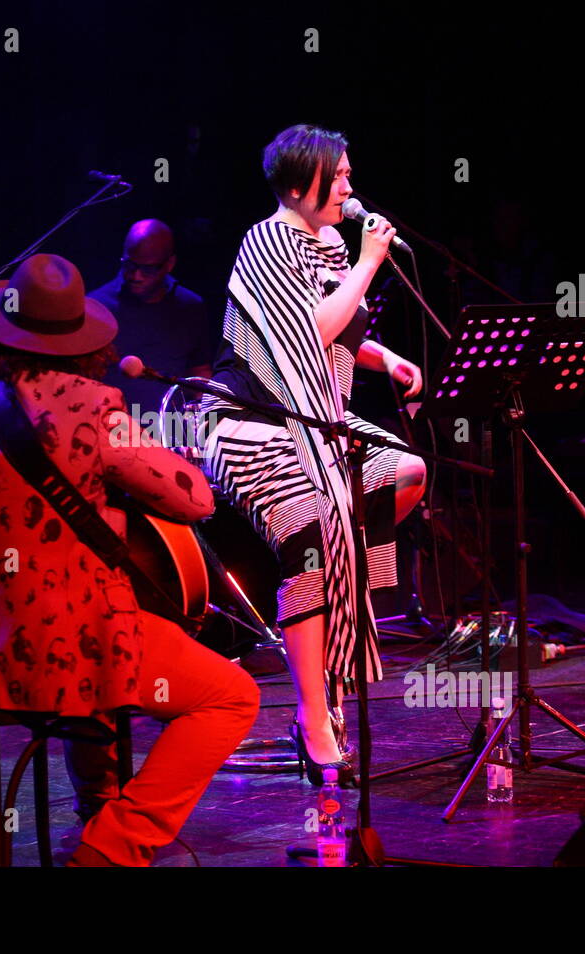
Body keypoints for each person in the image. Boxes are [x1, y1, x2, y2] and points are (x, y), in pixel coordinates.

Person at [0, 253, 258, 866]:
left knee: (92, 633)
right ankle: (114, 843)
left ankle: (98, 803)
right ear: (82, 342)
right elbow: (192, 501)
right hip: (68, 655)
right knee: (232, 695)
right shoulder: (94, 408)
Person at [201, 124, 426, 784]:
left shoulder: (325, 240)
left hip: (318, 422)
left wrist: (386, 357)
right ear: (301, 187)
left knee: (405, 472)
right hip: (250, 423)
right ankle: (314, 712)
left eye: (352, 174)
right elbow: (305, 331)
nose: (352, 187)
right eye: (342, 177)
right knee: (309, 534)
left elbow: (339, 328)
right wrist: (368, 264)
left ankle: (326, 623)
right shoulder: (268, 240)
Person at [90, 219, 213, 418]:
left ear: (169, 264)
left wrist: (205, 419)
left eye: (148, 269)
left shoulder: (191, 306)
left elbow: (200, 370)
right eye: (130, 265)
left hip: (171, 427)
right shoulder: (97, 307)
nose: (136, 276)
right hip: (114, 428)